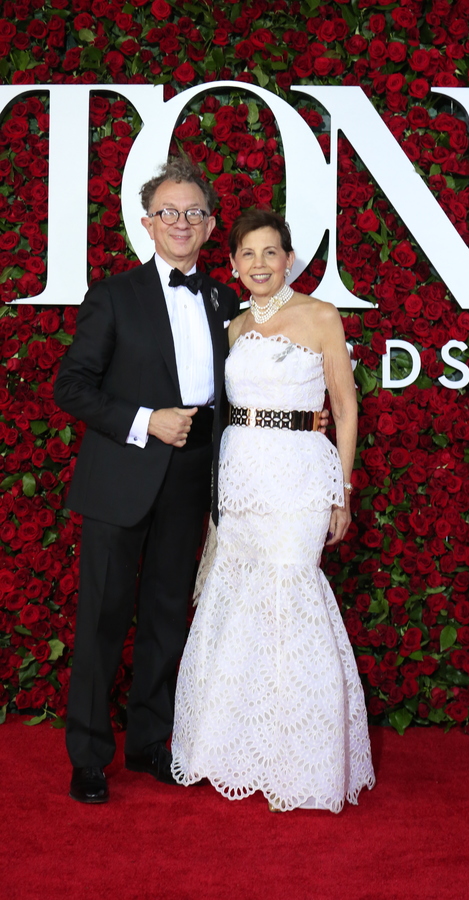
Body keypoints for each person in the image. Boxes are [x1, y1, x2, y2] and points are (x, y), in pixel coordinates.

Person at [171, 209, 375, 812]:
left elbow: (344, 405)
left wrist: (341, 490)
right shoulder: (230, 328)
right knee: (235, 601)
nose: (259, 264)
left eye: (270, 253)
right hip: (240, 474)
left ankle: (301, 758)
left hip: (299, 476)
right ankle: (231, 749)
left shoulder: (320, 316)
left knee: (292, 591)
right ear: (232, 264)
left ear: (289, 259)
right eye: (247, 255)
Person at [53, 157, 239, 804]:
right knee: (102, 619)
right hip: (121, 474)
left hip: (191, 477)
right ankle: (88, 757)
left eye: (193, 212)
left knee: (166, 615)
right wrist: (144, 421)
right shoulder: (113, 295)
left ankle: (152, 743)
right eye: (169, 212)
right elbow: (70, 387)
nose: (181, 222)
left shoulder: (223, 298)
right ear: (148, 224)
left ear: (211, 225)